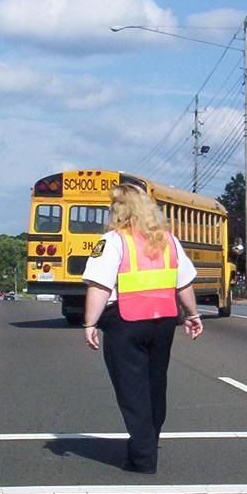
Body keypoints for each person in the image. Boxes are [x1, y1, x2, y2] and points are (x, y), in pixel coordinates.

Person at [81, 183, 203, 474]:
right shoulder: (167, 240)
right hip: (163, 322)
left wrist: (90, 323)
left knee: (132, 390)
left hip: (125, 321)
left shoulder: (112, 241)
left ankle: (143, 458)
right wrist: (193, 314)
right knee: (154, 384)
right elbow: (183, 283)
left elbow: (99, 286)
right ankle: (149, 438)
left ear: (117, 210)